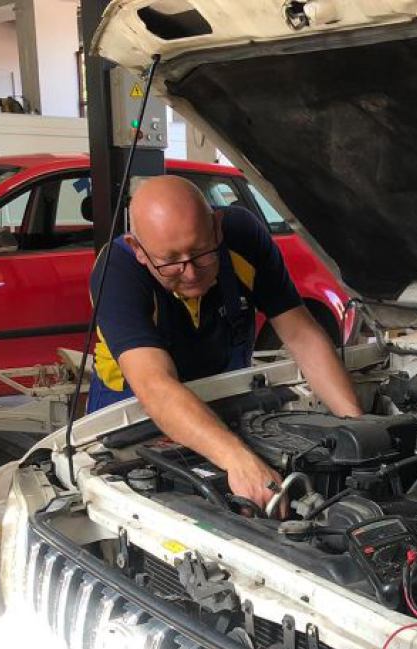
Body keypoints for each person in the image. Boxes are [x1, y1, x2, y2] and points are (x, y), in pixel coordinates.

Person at [87, 175, 362, 507]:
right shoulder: (117, 271)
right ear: (139, 250)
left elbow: (301, 335)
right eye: (171, 262)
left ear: (217, 227)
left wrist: (357, 429)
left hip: (225, 406)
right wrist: (238, 461)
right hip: (130, 422)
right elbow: (155, 386)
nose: (190, 273)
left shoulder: (243, 238)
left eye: (201, 253)